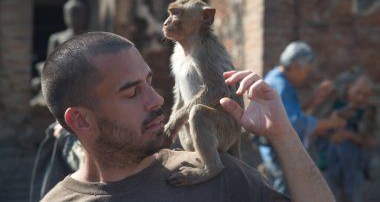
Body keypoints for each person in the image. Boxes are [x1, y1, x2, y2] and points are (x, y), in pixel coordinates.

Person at [39, 32, 335, 202]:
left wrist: (283, 136)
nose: (157, 100)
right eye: (131, 93)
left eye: (150, 82)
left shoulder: (218, 176)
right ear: (81, 121)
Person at [257, 40, 346, 194]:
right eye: (306, 72)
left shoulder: (276, 78)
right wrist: (331, 124)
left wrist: (314, 101)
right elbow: (294, 122)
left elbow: (287, 114)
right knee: (285, 191)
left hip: (273, 149)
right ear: (296, 67)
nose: (306, 77)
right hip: (277, 151)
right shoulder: (281, 84)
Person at [311, 68, 377, 202]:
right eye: (358, 92)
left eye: (366, 95)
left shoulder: (368, 113)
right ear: (349, 88)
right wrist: (332, 128)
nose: (361, 98)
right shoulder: (332, 105)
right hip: (328, 165)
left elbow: (372, 142)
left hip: (355, 171)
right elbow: (313, 127)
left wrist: (350, 136)